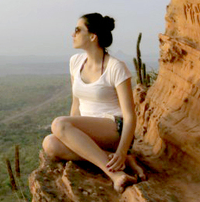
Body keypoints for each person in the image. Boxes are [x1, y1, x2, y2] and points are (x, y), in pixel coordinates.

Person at [42, 13, 143, 191]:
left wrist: (121, 151)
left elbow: (130, 116)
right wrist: (68, 135)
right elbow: (76, 105)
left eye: (77, 30)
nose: (72, 34)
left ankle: (115, 174)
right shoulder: (75, 62)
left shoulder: (115, 67)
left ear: (92, 36)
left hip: (114, 129)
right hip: (90, 131)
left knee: (59, 123)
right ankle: (123, 161)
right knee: (50, 144)